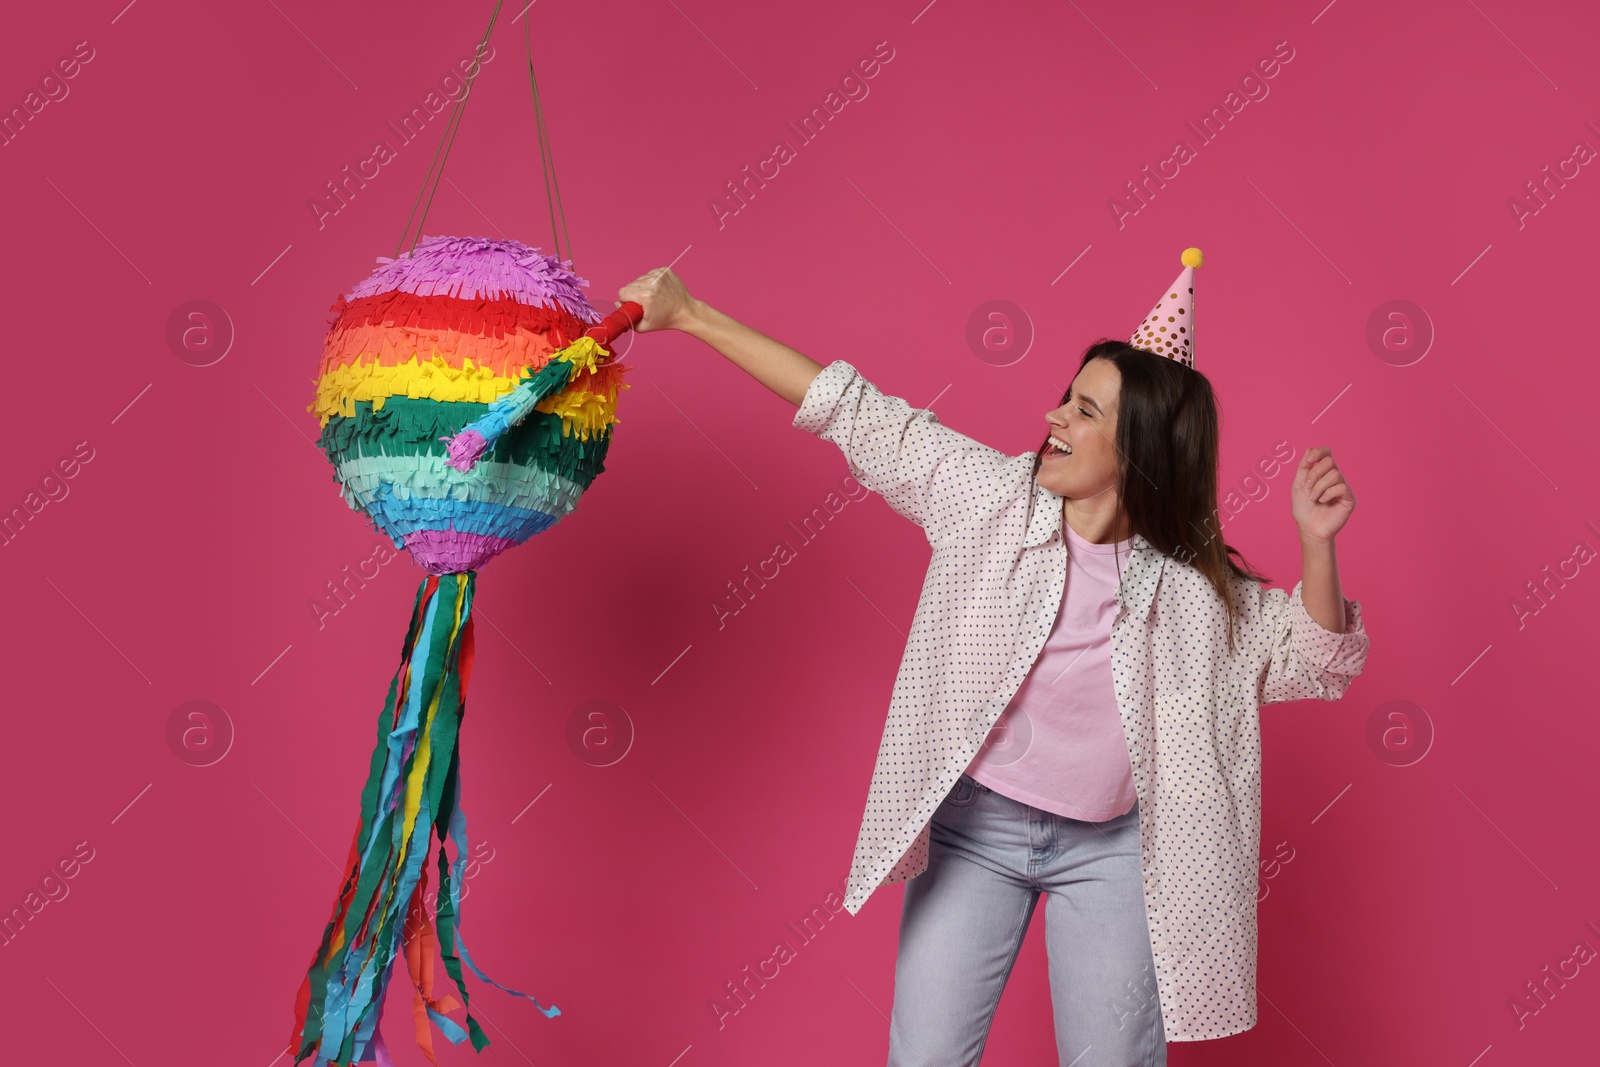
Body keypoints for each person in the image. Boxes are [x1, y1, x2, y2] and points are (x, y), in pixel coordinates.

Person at [616, 266, 1370, 1067]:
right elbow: (851, 408)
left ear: (1140, 446)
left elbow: (1315, 660)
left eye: (1085, 410)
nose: (1054, 417)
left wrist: (1317, 546)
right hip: (976, 831)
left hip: (1116, 854)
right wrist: (693, 314)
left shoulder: (1191, 589)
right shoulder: (990, 498)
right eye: (1064, 397)